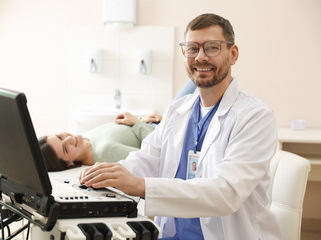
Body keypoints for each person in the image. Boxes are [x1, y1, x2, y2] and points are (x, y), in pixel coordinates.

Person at [80, 13, 282, 239]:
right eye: (192, 48)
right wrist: (109, 175)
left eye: (212, 48)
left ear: (233, 54)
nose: (200, 57)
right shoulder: (178, 110)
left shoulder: (254, 116)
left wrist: (140, 186)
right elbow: (147, 160)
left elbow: (227, 194)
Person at [39, 112, 162, 171]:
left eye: (60, 137)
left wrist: (141, 120)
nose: (69, 139)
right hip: (162, 134)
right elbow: (156, 156)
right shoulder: (107, 152)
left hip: (153, 125)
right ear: (69, 164)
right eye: (65, 149)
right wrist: (137, 123)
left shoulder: (84, 139)